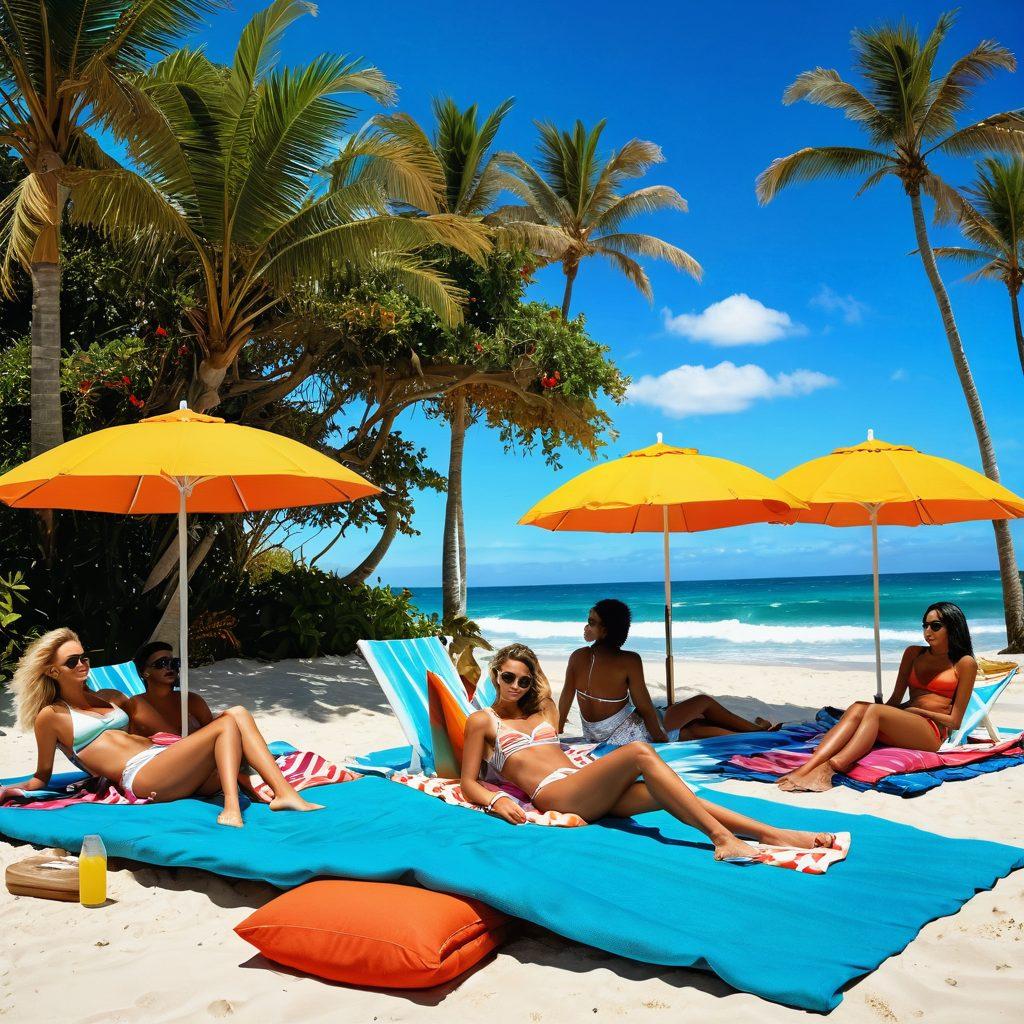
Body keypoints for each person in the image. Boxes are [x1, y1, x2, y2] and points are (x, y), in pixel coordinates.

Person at [461, 643, 836, 863]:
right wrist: (495, 801)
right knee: (640, 752)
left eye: (524, 680)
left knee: (668, 793)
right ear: (495, 675)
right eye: (508, 677)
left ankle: (774, 834)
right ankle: (722, 840)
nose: (515, 685)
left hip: (586, 784)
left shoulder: (545, 709)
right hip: (555, 794)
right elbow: (467, 782)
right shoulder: (482, 721)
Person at [2, 628, 323, 827]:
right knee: (228, 723)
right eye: (72, 661)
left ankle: (284, 793)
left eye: (84, 657)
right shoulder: (52, 716)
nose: (82, 664)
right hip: (141, 777)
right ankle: (230, 805)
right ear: (53, 672)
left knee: (236, 714)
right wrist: (10, 791)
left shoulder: (110, 696)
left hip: (166, 761)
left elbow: (149, 716)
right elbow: (42, 774)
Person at [777, 602, 978, 793]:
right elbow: (895, 700)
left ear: (953, 627)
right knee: (858, 707)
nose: (927, 632)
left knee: (873, 711)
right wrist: (875, 712)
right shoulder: (913, 653)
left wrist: (916, 710)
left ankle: (830, 769)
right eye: (925, 625)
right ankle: (809, 766)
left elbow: (955, 721)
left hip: (932, 732)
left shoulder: (964, 663)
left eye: (935, 626)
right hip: (906, 721)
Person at [559, 599, 780, 744]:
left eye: (591, 623)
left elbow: (566, 699)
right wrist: (660, 740)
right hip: (631, 733)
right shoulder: (628, 660)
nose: (586, 627)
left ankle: (754, 733)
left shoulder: (578, 656)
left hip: (597, 735)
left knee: (693, 729)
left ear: (606, 630)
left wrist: (556, 731)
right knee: (702, 703)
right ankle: (757, 732)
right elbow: (644, 707)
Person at [129, 640, 212, 737]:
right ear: (145, 672)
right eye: (162, 663)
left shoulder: (192, 700)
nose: (170, 667)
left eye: (174, 663)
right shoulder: (136, 703)